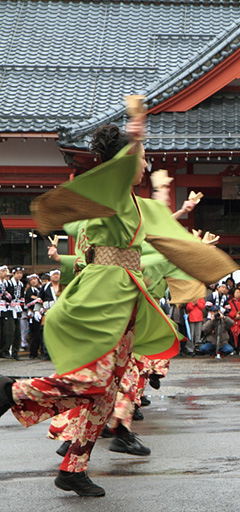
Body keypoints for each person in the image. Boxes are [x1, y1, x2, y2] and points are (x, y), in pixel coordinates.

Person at [0, 114, 182, 497]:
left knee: (108, 391)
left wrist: (167, 198)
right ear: (124, 163)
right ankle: (12, 391)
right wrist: (134, 143)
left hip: (125, 297)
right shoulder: (110, 194)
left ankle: (73, 468)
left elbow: (160, 228)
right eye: (141, 158)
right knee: (94, 382)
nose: (145, 164)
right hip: (104, 294)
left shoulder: (132, 202)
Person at [24, 274, 44, 360]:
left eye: (34, 279)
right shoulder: (29, 291)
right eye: (31, 280)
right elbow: (28, 302)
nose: (33, 281)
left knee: (42, 334)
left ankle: (43, 352)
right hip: (33, 314)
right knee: (34, 334)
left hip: (43, 313)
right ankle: (33, 353)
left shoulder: (42, 288)